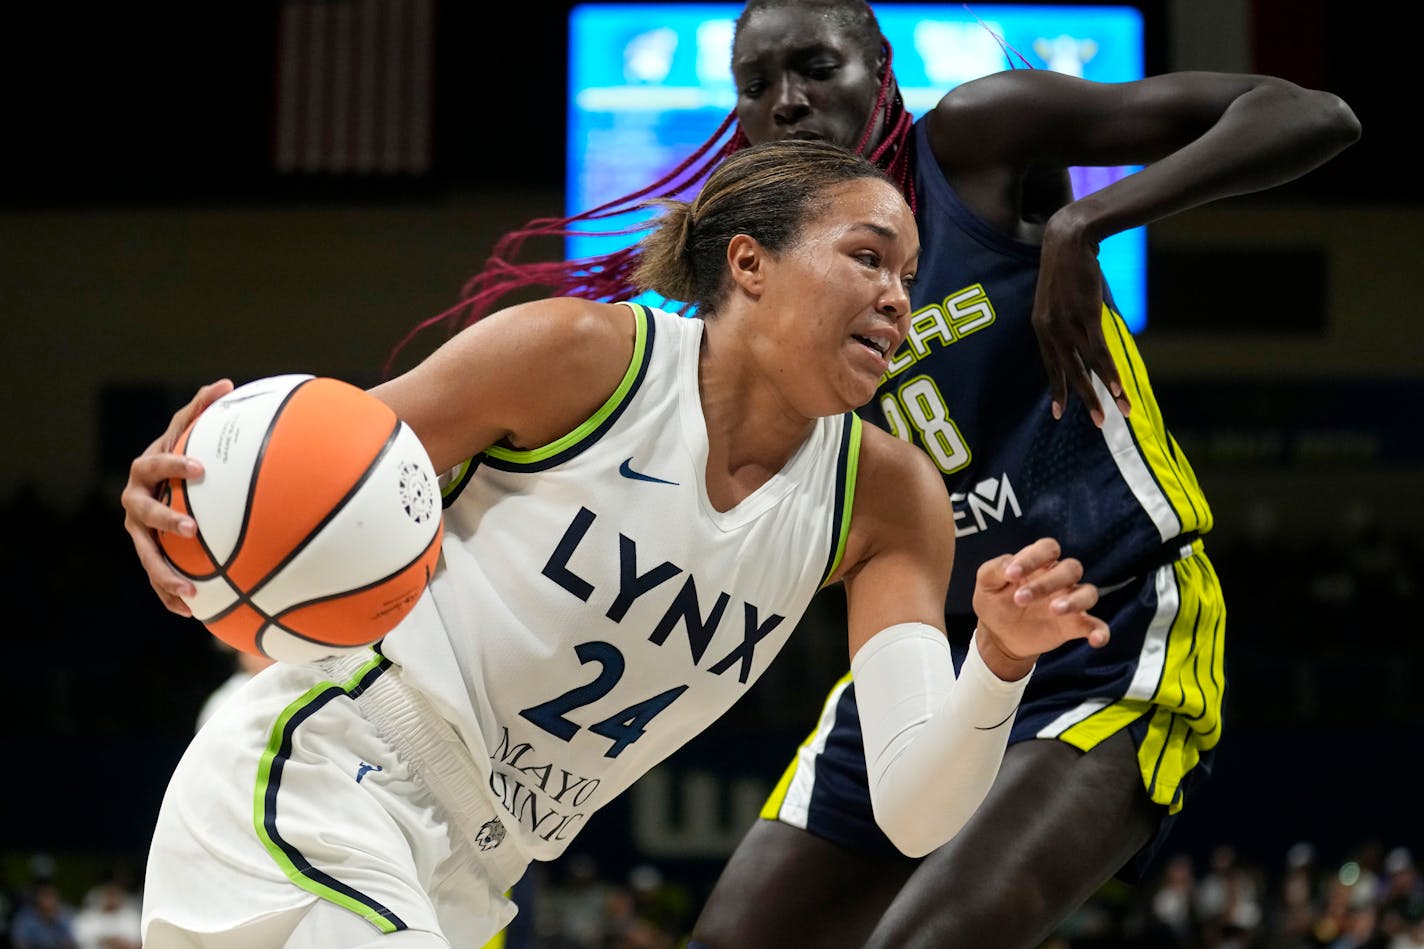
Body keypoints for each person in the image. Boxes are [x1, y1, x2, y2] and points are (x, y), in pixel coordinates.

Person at [430, 3, 1361, 947]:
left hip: (1106, 625)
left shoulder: (974, 144)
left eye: (815, 67)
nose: (787, 101)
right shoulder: (768, 272)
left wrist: (1086, 221)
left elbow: (1312, 113)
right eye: (757, 85)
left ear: (880, 70)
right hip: (918, 644)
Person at [120, 140, 1111, 948]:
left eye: (906, 270)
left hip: (478, 875)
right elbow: (308, 483)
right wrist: (185, 506)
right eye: (865, 256)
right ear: (749, 263)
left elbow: (910, 812)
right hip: (330, 774)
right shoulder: (578, 359)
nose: (898, 295)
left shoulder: (891, 501)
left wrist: (994, 662)